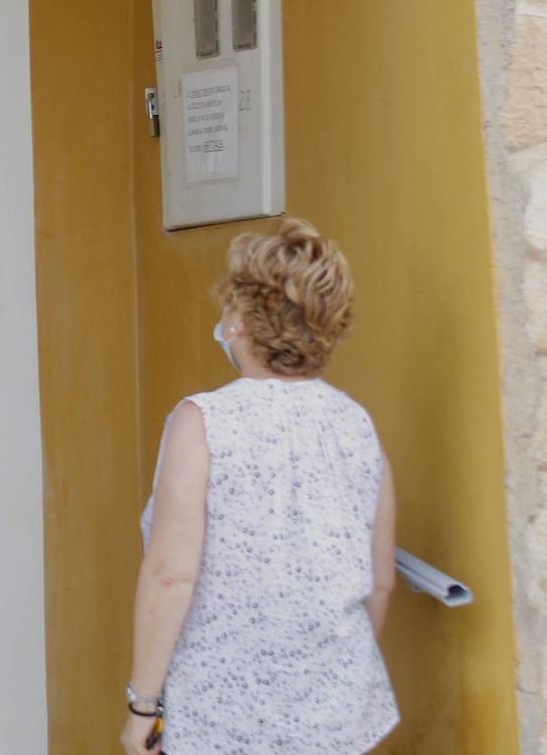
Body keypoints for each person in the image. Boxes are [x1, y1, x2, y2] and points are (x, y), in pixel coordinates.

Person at [120, 219, 399, 755]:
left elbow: (170, 575)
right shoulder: (357, 426)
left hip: (220, 718)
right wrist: (333, 688)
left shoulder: (202, 422)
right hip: (336, 718)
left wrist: (143, 705)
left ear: (242, 321)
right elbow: (379, 581)